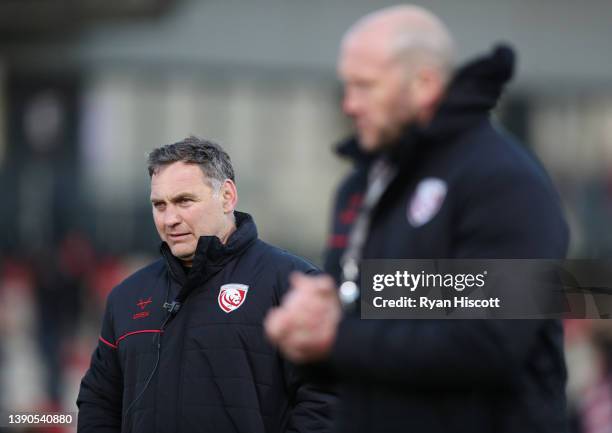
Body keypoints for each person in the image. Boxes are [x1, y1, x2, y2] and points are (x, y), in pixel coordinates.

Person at [265, 5, 569, 433]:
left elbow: (490, 341)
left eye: (365, 86)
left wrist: (338, 336)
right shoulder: (362, 187)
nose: (350, 104)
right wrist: (322, 312)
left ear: (424, 83)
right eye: (346, 86)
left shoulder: (503, 180)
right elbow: (403, 307)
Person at [77, 137, 335, 433]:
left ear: (227, 196)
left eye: (184, 201)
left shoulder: (291, 284)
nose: (170, 219)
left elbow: (325, 401)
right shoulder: (127, 296)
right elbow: (98, 402)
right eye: (159, 205)